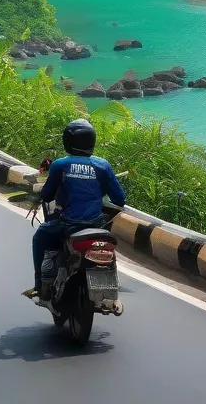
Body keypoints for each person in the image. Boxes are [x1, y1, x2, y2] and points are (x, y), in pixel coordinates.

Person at [26, 118, 126, 297]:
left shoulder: (60, 165)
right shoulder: (103, 165)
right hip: (95, 225)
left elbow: (47, 195)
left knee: (40, 237)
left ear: (68, 140)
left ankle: (40, 285)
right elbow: (120, 199)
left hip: (68, 225)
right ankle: (111, 291)